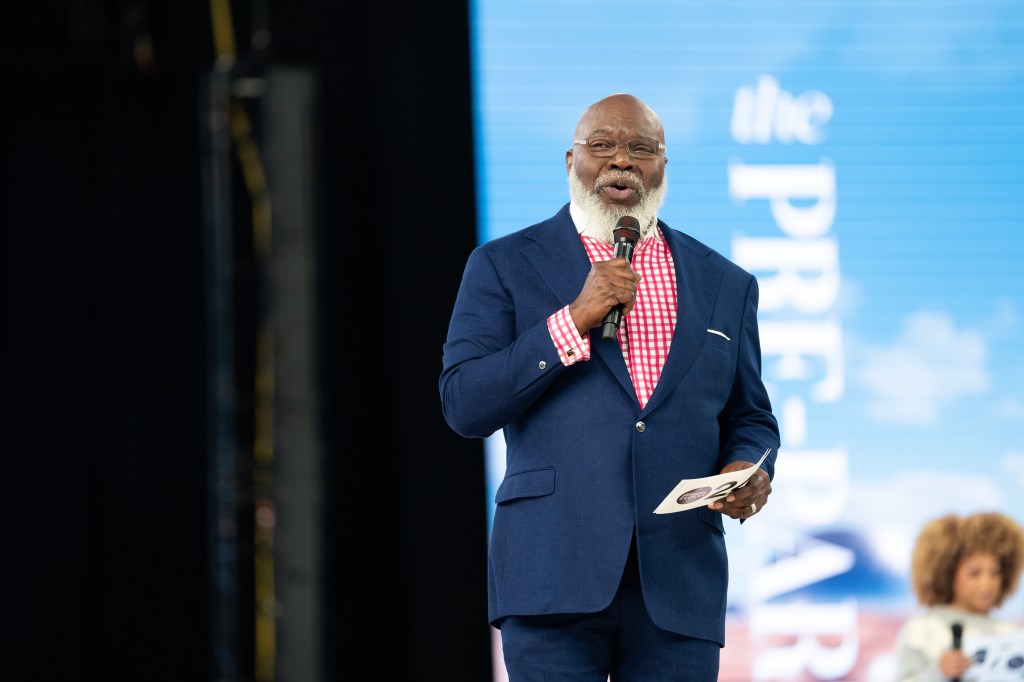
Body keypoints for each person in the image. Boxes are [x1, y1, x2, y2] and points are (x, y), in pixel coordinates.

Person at [438, 92, 781, 681]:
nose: (620, 161)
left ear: (663, 168)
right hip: (551, 574)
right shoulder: (502, 264)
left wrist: (748, 467)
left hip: (679, 579)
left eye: (640, 148)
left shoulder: (726, 282)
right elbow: (465, 404)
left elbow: (750, 416)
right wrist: (571, 321)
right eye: (601, 146)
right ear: (570, 161)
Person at [894, 511, 1024, 682]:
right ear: (946, 573)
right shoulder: (921, 631)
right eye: (974, 573)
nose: (987, 583)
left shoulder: (1012, 633)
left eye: (996, 573)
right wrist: (938, 672)